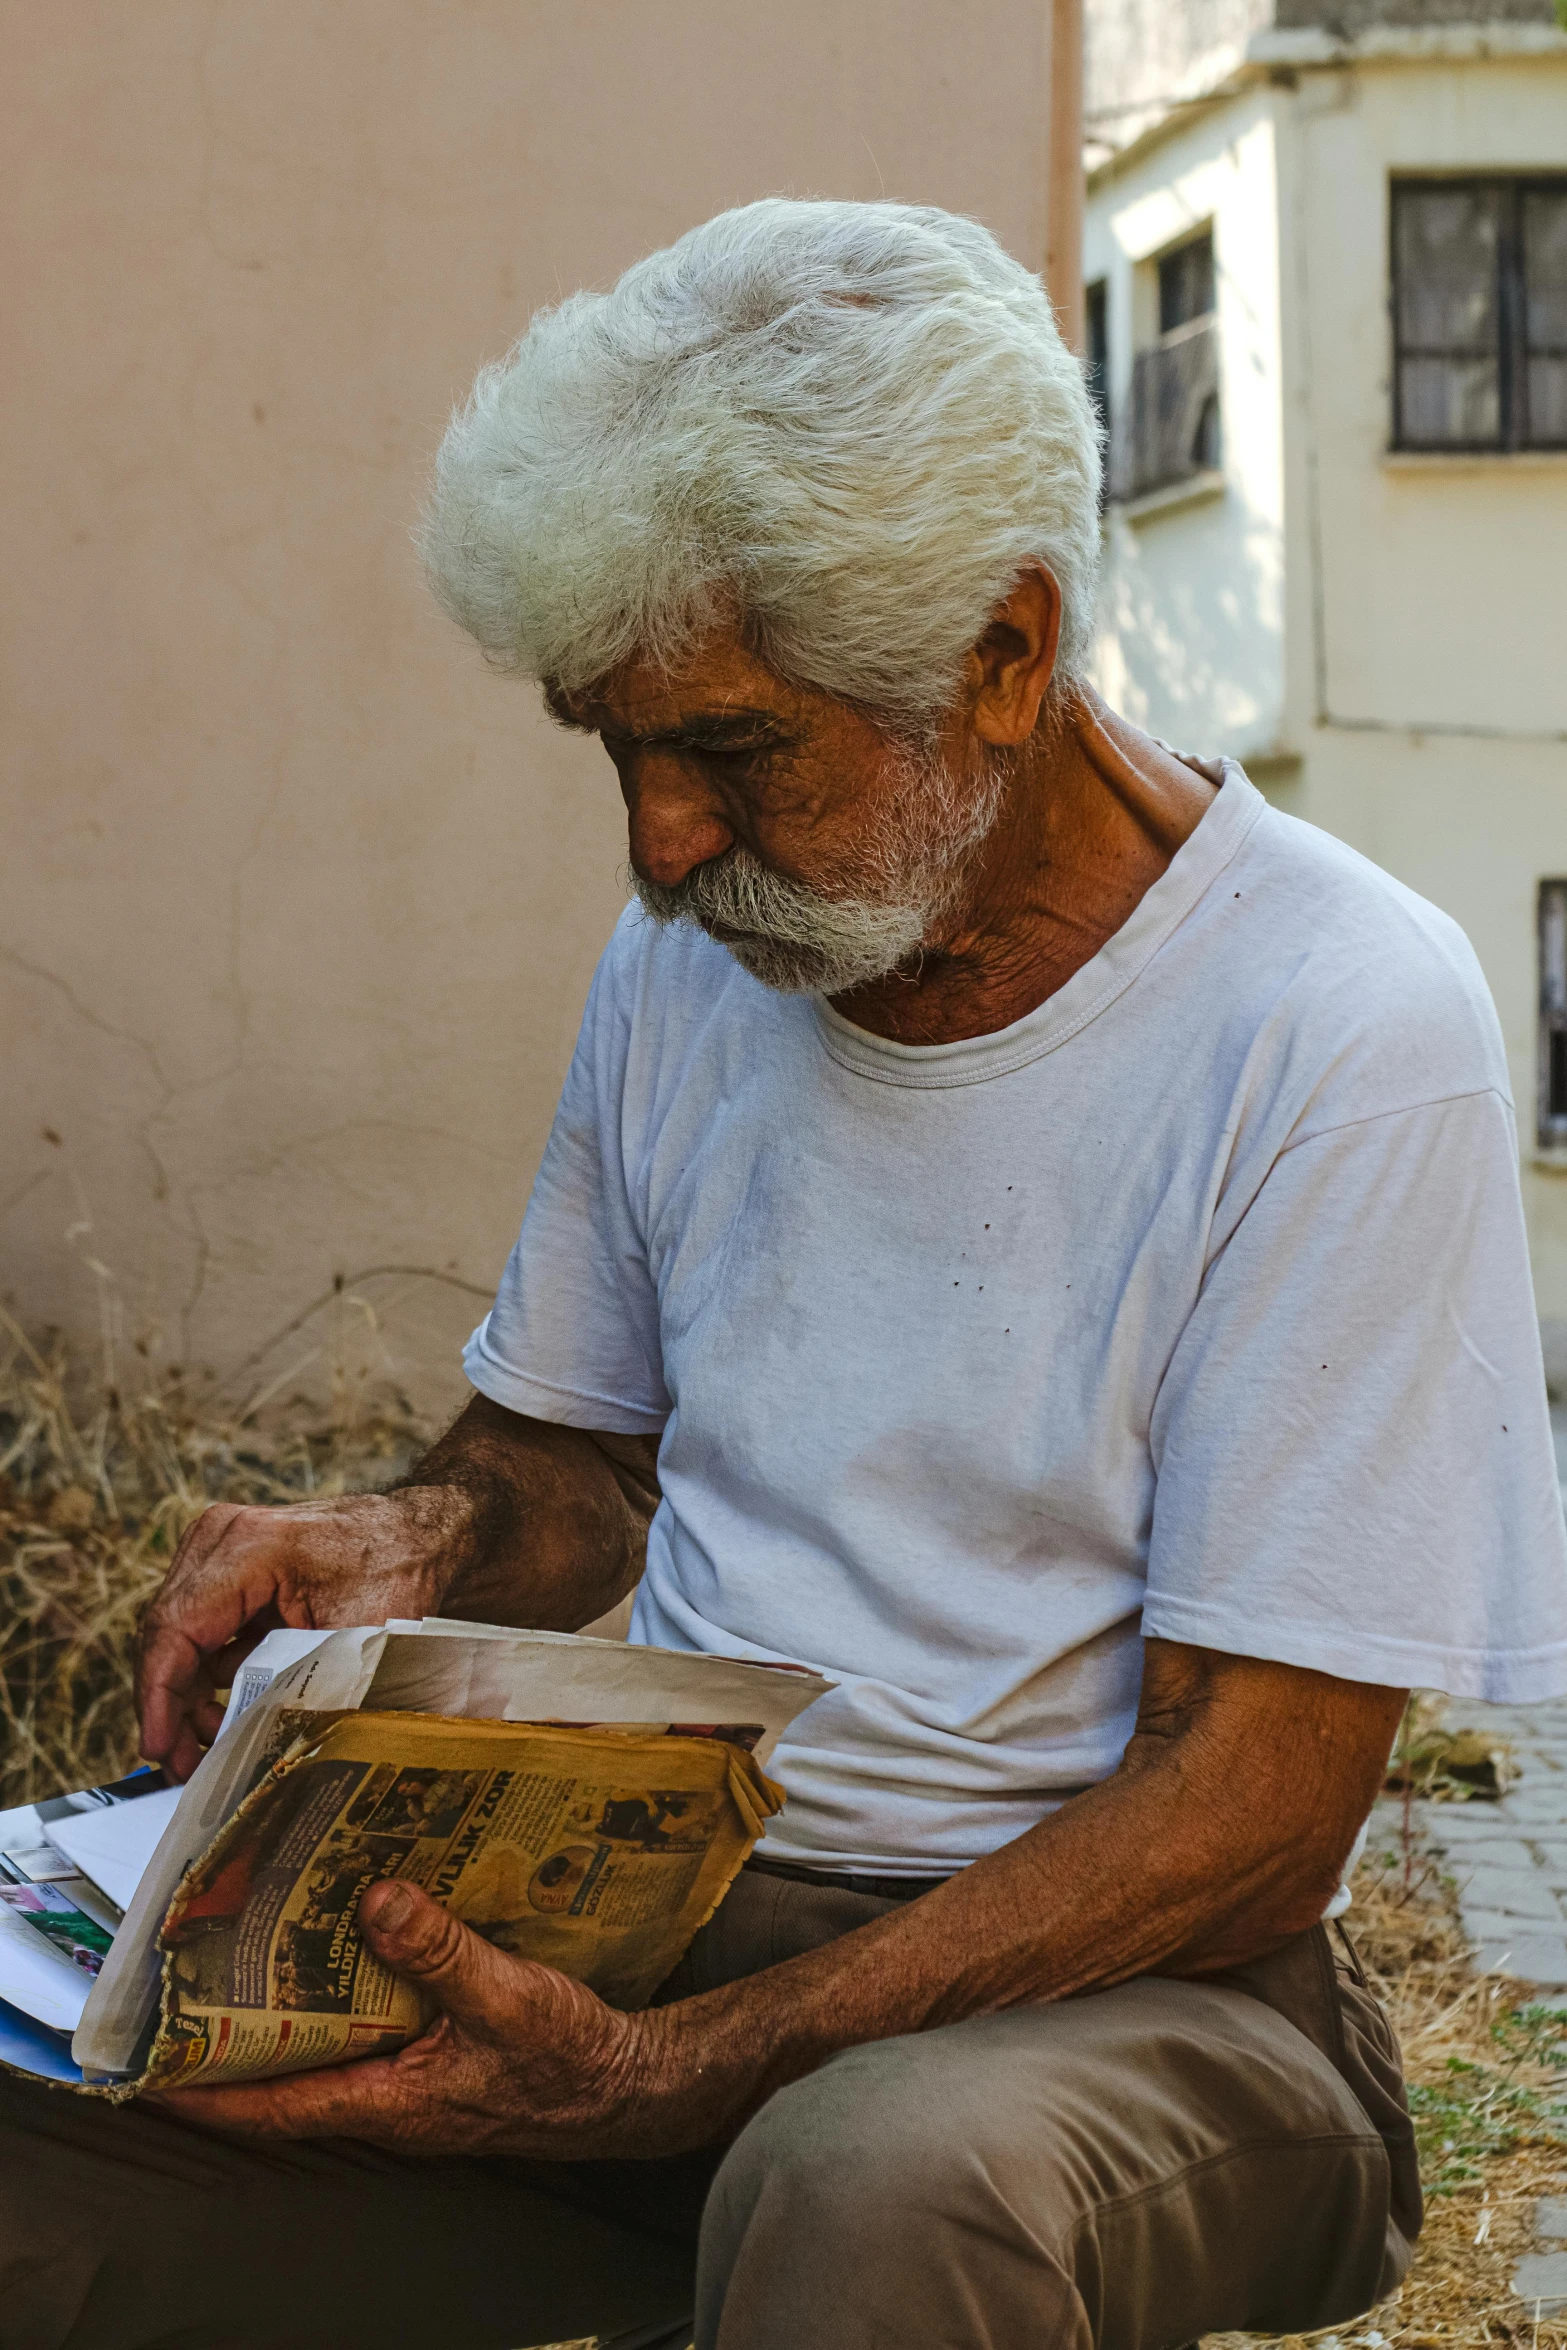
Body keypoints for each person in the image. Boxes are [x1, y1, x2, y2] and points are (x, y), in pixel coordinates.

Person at [3, 197, 1565, 2350]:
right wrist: (407, 1538)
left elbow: (1250, 1817)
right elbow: (568, 1467)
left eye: (732, 750)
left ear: (1006, 654)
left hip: (1150, 2003)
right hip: (665, 1928)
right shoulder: (701, 957)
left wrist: (688, 2069)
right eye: (613, 747)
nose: (655, 844)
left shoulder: (1337, 1018)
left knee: (872, 2187)